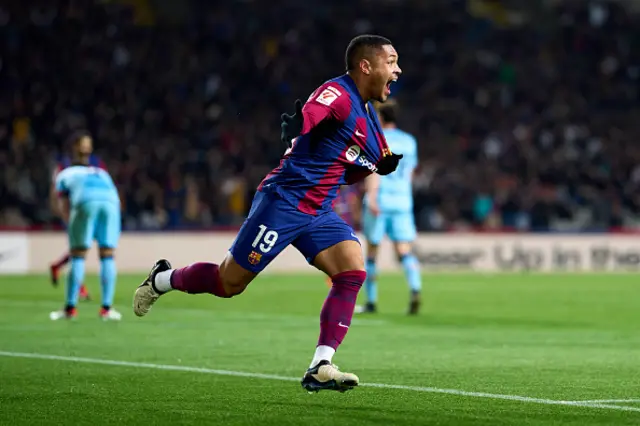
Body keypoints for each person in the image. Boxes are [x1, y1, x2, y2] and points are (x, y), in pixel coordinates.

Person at [133, 34, 403, 393]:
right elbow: (312, 112)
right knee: (229, 284)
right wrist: (300, 126)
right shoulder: (338, 93)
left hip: (318, 211)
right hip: (284, 203)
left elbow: (355, 165)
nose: (398, 70)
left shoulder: (371, 121)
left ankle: (320, 365)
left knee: (352, 269)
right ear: (366, 66)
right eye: (392, 61)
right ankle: (162, 280)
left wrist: (378, 167)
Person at [50, 131, 122, 321]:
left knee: (78, 255)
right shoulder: (101, 171)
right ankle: (107, 309)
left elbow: (62, 202)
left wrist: (70, 222)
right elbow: (116, 198)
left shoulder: (65, 172)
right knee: (107, 255)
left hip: (85, 201)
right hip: (111, 203)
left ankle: (70, 309)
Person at [361, 100, 421, 314]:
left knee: (371, 252)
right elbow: (410, 173)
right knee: (404, 250)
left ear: (381, 118)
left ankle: (371, 301)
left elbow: (374, 171)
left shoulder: (377, 139)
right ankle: (415, 289)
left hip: (382, 200)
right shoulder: (410, 141)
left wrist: (372, 197)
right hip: (403, 201)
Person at [49, 149, 107, 301]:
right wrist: (62, 211)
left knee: (81, 248)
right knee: (79, 250)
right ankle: (79, 287)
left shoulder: (92, 165)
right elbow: (56, 189)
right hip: (73, 211)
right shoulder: (64, 167)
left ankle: (58, 266)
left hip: (84, 211)